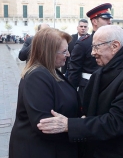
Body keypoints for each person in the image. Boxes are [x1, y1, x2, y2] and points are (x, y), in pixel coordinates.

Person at [37, 25, 123, 158]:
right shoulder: (105, 69)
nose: (92, 53)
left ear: (115, 46)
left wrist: (70, 125)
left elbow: (116, 122)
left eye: (96, 47)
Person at [9, 28, 81, 158]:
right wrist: (76, 127)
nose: (68, 54)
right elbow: (44, 124)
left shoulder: (50, 70)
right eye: (64, 51)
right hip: (40, 150)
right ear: (49, 53)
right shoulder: (37, 77)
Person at [68, 3, 112, 102]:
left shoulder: (113, 41)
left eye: (110, 19)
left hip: (108, 89)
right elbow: (74, 71)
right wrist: (72, 95)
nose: (109, 21)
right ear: (94, 21)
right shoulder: (84, 43)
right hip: (89, 90)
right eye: (105, 19)